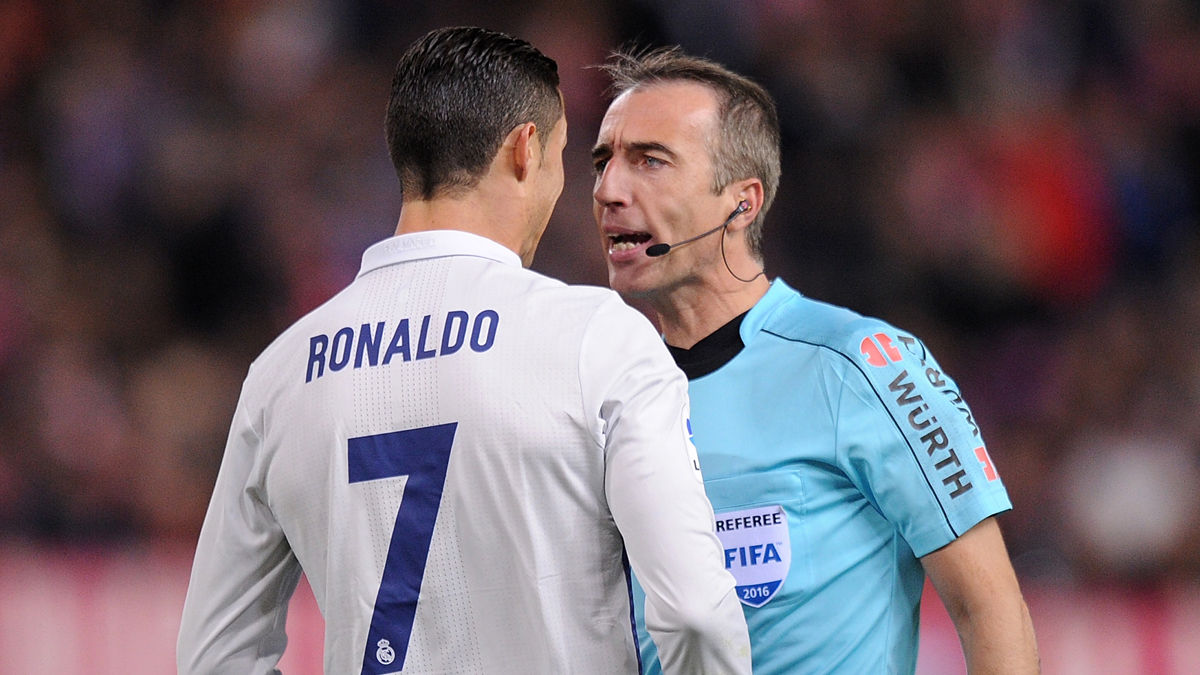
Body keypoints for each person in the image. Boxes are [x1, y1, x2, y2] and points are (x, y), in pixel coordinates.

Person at [178, 28, 751, 675]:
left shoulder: (280, 374)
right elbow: (696, 614)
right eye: (568, 157)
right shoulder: (598, 337)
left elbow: (213, 655)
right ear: (525, 150)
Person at [591, 47, 1039, 675]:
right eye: (603, 160)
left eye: (651, 161)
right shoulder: (603, 393)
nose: (609, 189)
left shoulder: (864, 367)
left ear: (741, 203)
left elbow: (989, 608)